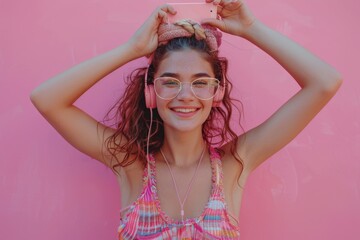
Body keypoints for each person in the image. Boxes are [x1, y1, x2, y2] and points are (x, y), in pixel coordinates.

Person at [30, 0, 342, 239]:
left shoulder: (236, 163)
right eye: (170, 80)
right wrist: (132, 49)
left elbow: (324, 82)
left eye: (200, 81)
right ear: (151, 93)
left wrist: (250, 27)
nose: (185, 94)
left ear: (216, 92)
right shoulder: (129, 163)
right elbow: (46, 99)